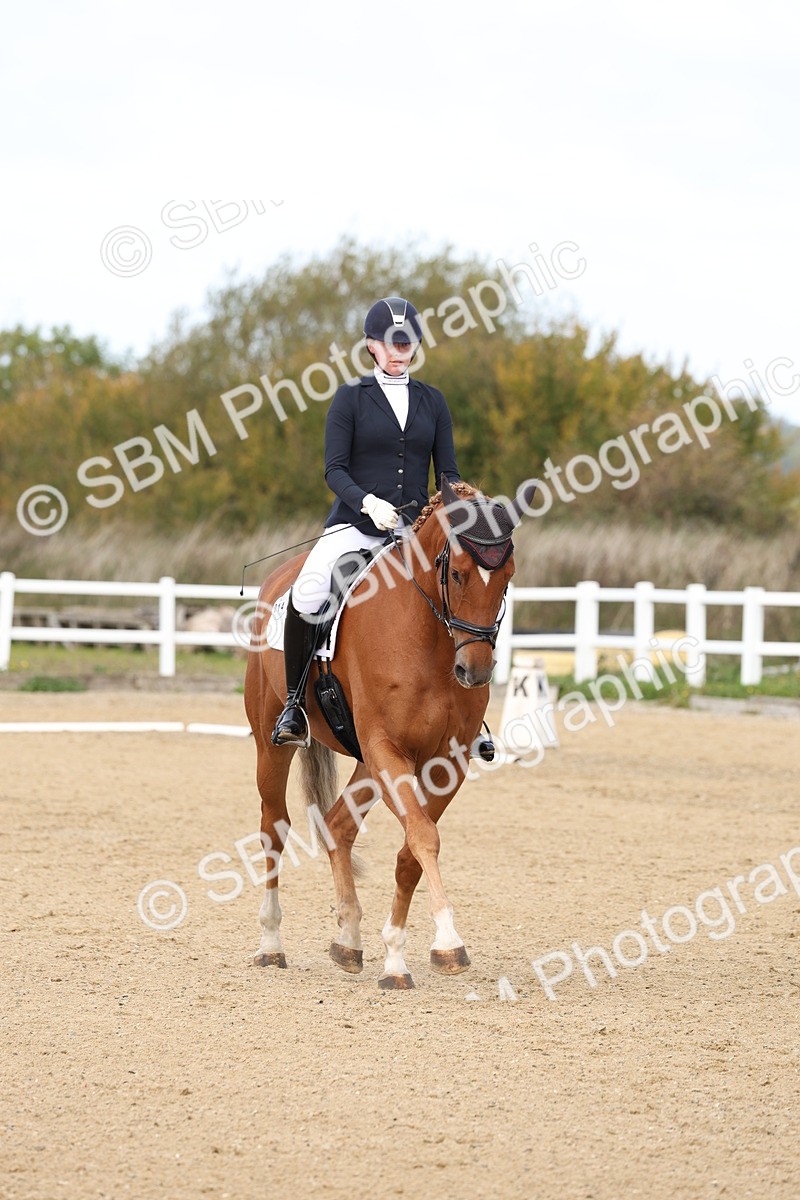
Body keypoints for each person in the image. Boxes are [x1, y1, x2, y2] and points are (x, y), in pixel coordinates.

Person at [272, 295, 461, 747]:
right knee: (311, 588)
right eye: (393, 343)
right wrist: (368, 503)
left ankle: (465, 711)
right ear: (372, 345)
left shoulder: (432, 402)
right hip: (355, 525)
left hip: (413, 532)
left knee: (462, 588)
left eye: (409, 342)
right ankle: (295, 704)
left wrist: (456, 509)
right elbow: (334, 469)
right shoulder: (350, 399)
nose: (401, 351)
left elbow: (448, 473)